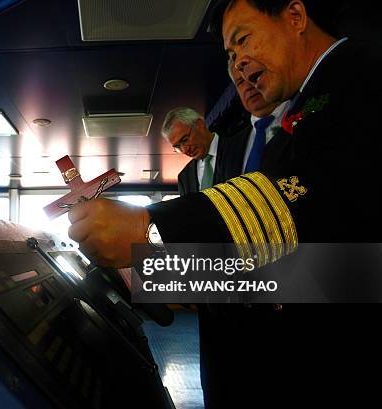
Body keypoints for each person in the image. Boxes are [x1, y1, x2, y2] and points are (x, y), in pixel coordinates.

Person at [67, 0, 382, 406]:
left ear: (296, 17)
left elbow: (302, 206)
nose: (237, 64)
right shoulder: (307, 106)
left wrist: (151, 227)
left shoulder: (359, 73)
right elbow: (302, 264)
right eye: (231, 54)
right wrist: (157, 273)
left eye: (244, 39)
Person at [161, 107, 221, 194]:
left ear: (200, 125)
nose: (185, 150)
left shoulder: (239, 146)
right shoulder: (184, 177)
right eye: (178, 147)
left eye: (185, 140)